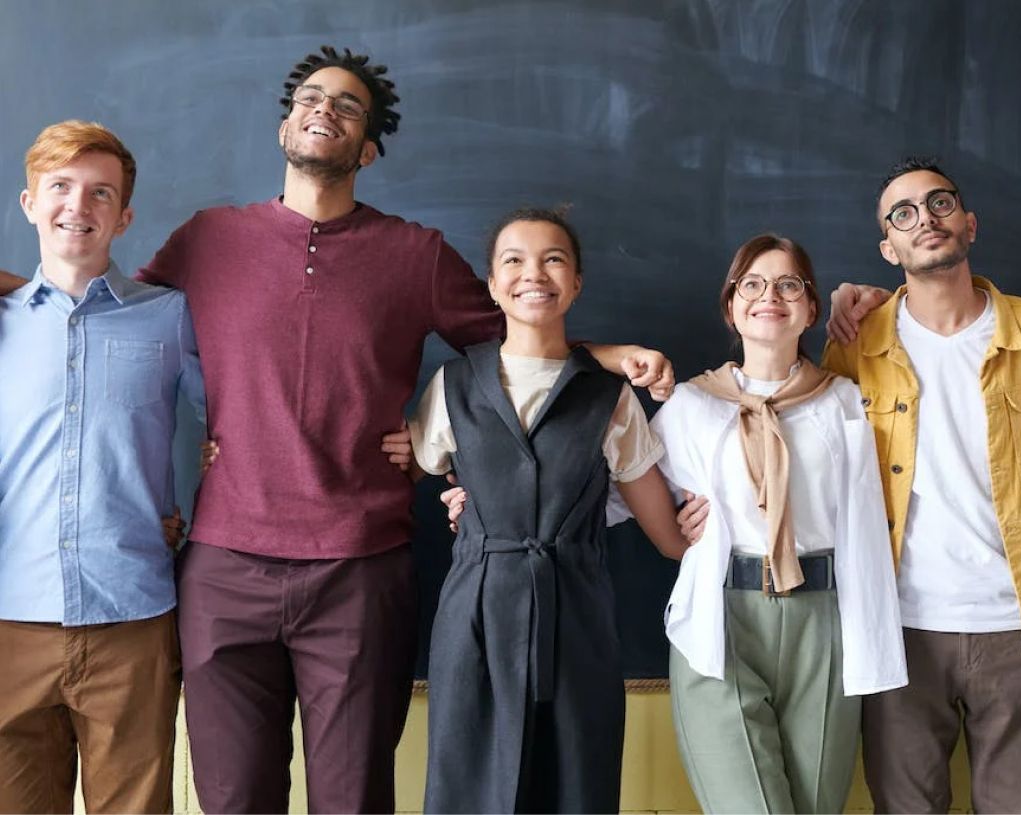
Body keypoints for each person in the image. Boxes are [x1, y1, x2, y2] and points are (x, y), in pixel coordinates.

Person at [124, 46, 670, 813]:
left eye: (348, 106)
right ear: (287, 122)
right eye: (312, 97)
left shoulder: (414, 254)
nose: (324, 110)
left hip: (360, 569)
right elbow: (114, 327)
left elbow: (519, 336)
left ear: (368, 149)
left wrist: (609, 355)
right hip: (222, 566)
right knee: (231, 799)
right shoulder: (207, 238)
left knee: (354, 799)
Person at [398, 207, 688, 814]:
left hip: (577, 611)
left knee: (574, 785)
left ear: (577, 282)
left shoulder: (610, 398)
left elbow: (667, 536)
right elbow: (426, 464)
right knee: (470, 785)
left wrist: (718, 520)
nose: (535, 274)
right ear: (491, 283)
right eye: (515, 260)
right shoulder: (453, 385)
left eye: (554, 259)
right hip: (475, 613)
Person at [823, 157, 1021, 813]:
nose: (927, 220)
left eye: (940, 204)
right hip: (899, 626)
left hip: (1019, 628)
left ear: (969, 225)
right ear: (888, 247)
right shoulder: (857, 345)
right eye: (904, 212)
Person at [0, 121, 205, 813]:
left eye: (99, 193)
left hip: (133, 621)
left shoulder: (171, 319)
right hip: (8, 623)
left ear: (124, 216)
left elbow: (251, 421)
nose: (76, 207)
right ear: (29, 202)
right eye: (59, 187)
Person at [662, 234, 907, 813]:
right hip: (720, 618)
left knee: (816, 804)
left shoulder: (846, 400)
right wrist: (479, 492)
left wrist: (869, 298)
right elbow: (612, 489)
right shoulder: (692, 406)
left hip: (823, 621)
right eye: (752, 284)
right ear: (731, 305)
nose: (769, 296)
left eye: (788, 284)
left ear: (811, 307)